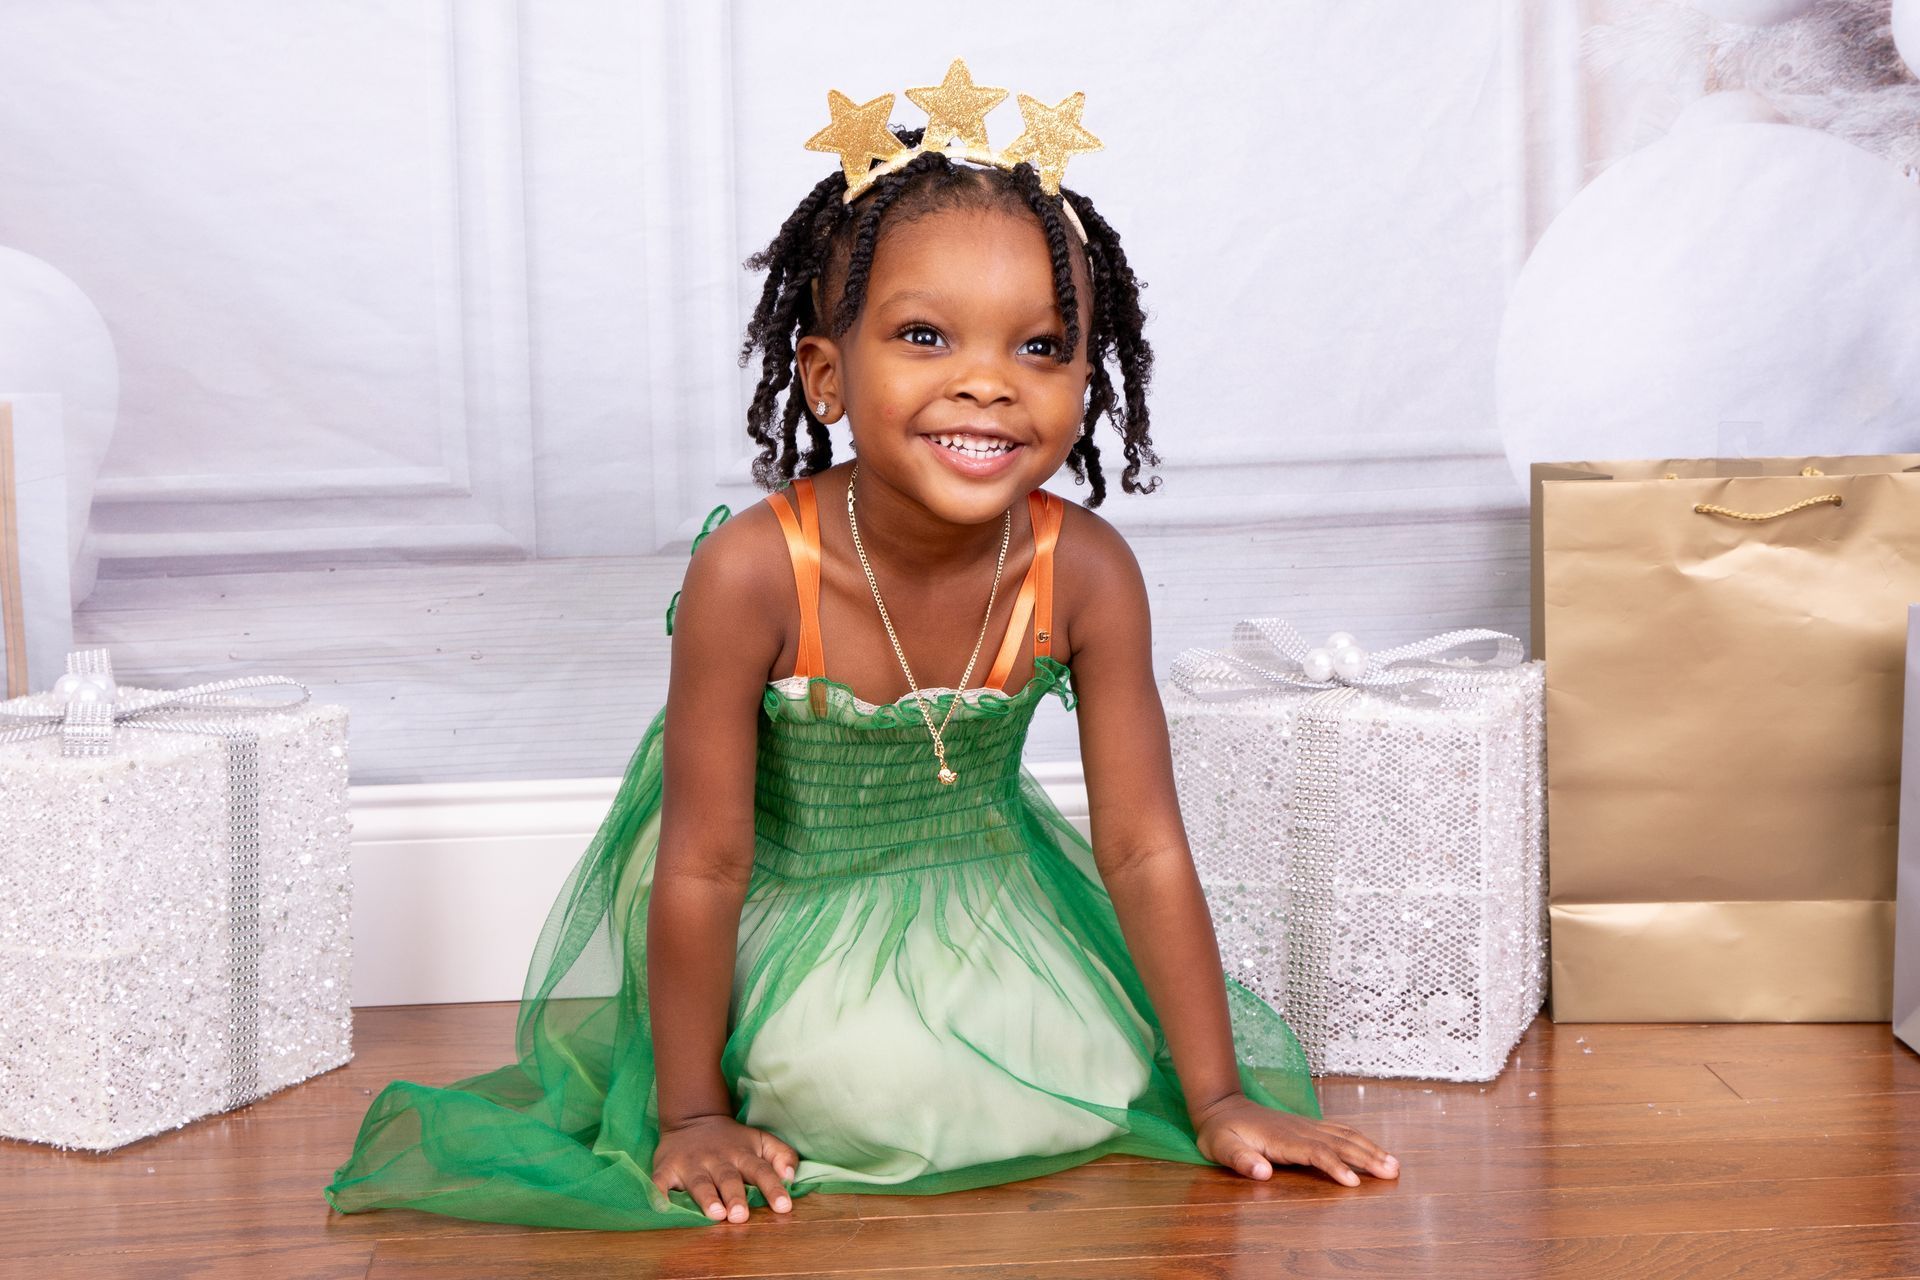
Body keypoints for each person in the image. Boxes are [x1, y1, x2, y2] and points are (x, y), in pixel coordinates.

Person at [324, 60, 1397, 1233]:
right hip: (784, 893)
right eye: (927, 336)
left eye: (1041, 348)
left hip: (981, 887)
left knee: (1083, 1071)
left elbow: (1140, 848)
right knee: (856, 1092)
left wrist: (1221, 1093)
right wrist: (688, 1112)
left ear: (1089, 380)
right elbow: (702, 865)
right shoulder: (751, 572)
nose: (986, 382)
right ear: (828, 376)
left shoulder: (1084, 571)